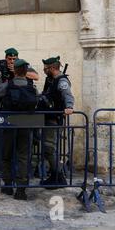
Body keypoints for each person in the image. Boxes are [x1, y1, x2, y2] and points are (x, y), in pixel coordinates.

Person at [0, 59, 38, 200]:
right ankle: (21, 189)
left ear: (15, 71)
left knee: (6, 155)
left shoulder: (6, 86)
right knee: (23, 156)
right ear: (26, 71)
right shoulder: (32, 87)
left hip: (9, 123)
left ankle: (8, 185)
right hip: (25, 123)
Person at [39, 56, 74, 188]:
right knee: (48, 148)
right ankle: (55, 176)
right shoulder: (51, 80)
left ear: (52, 68)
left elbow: (67, 94)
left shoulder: (62, 81)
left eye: (45, 68)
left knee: (49, 148)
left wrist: (69, 107)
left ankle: (58, 177)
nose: (44, 70)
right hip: (47, 118)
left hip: (54, 119)